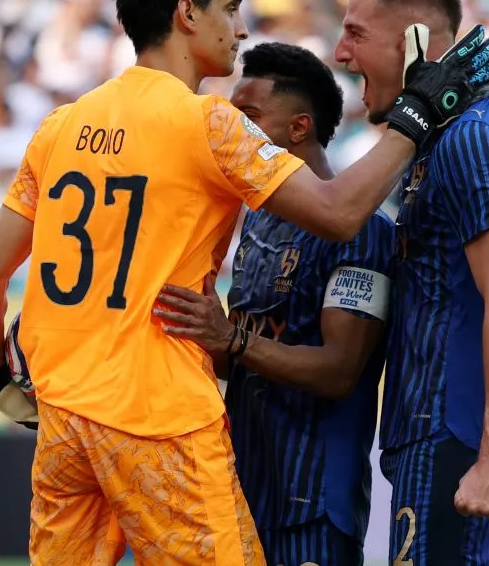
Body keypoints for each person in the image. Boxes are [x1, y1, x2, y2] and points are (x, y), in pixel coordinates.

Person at [0, 0, 489, 564]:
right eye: (229, 10)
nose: (239, 31)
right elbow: (338, 212)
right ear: (188, 16)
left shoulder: (59, 127)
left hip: (62, 419)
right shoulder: (208, 123)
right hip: (159, 414)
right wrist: (419, 111)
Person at [334, 0, 489, 564]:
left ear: (417, 44)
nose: (342, 54)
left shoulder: (476, 140)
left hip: (456, 437)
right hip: (431, 433)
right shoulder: (442, 139)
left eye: (357, 34)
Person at [154, 42, 393, 565]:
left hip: (312, 503)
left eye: (249, 116)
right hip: (240, 489)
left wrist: (230, 339)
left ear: (298, 129)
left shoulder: (363, 234)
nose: (232, 128)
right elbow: (236, 352)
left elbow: (339, 371)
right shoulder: (257, 220)